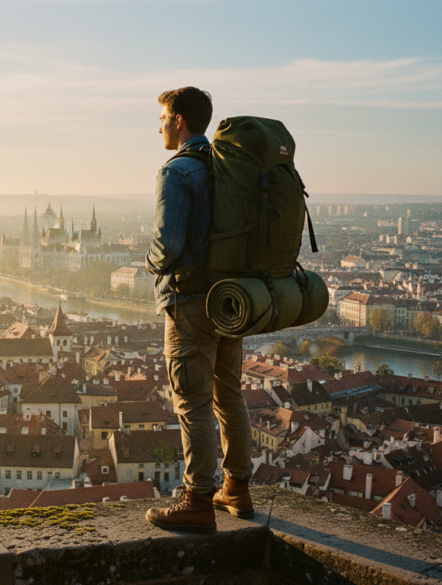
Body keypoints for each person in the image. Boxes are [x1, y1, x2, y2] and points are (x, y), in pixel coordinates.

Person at [144, 87, 254, 534]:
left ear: (180, 121)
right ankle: (238, 489)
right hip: (230, 301)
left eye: (164, 118)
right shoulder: (226, 168)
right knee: (228, 394)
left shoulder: (178, 171)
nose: (160, 126)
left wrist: (147, 261)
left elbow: (167, 245)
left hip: (189, 301)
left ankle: (197, 500)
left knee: (191, 402)